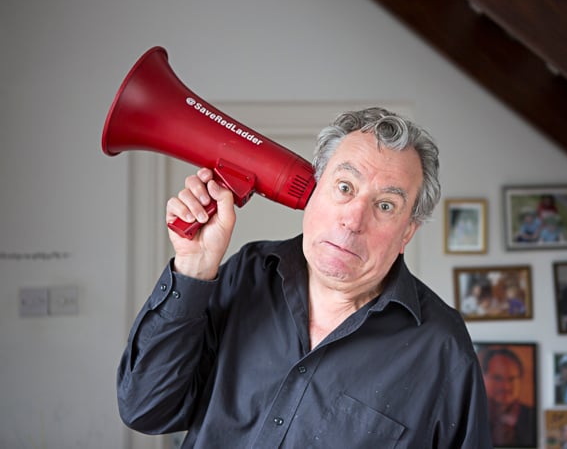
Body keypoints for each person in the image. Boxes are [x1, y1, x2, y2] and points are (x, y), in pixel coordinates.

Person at [116, 107, 493, 448]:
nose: (353, 220)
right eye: (344, 187)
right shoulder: (249, 274)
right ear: (313, 191)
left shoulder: (443, 350)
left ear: (407, 232)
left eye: (385, 206)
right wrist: (193, 270)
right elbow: (146, 409)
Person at [481, 348, 536, 447]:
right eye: (498, 378)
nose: (505, 386)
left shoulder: (531, 416)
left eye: (511, 379)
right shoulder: (473, 414)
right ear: (483, 378)